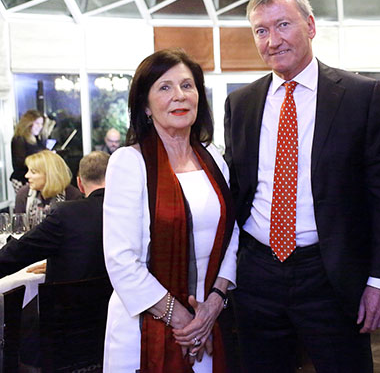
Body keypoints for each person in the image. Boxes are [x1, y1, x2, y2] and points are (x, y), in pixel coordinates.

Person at [224, 0, 380, 373]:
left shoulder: (360, 96)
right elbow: (236, 191)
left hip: (331, 274)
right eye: (261, 30)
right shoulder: (241, 103)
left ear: (311, 25)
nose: (273, 40)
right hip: (258, 273)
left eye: (283, 25)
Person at [102, 49, 238, 373]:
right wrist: (183, 321)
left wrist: (213, 306)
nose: (179, 96)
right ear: (145, 106)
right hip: (143, 329)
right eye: (164, 87)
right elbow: (120, 260)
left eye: (187, 86)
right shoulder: (129, 163)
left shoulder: (213, 159)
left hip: (207, 322)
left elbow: (232, 234)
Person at [0, 151, 109, 283]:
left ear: (79, 183)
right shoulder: (133, 210)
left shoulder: (67, 212)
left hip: (72, 300)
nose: (27, 175)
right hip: (117, 298)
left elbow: (21, 251)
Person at [14, 150, 82, 223]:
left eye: (33, 172)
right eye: (28, 171)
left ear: (50, 175)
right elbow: (19, 228)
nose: (26, 175)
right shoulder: (24, 194)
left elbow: (76, 229)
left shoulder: (72, 195)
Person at [10, 110, 46, 193]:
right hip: (23, 180)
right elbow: (21, 162)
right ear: (28, 123)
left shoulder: (36, 138)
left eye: (41, 124)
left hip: (34, 178)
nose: (40, 127)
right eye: (37, 123)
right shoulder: (19, 140)